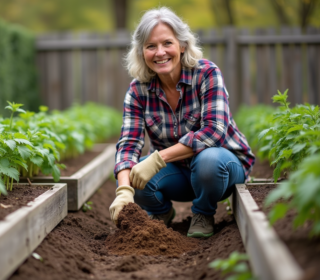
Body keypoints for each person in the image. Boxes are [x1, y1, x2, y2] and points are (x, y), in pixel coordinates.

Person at [109, 7, 255, 238]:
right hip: (179, 173)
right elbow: (128, 143)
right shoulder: (138, 90)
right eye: (150, 46)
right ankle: (161, 213)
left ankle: (203, 212)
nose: (160, 53)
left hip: (222, 168)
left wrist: (158, 159)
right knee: (133, 177)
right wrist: (124, 191)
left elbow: (213, 132)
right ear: (141, 52)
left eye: (167, 43)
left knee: (208, 161)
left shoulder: (206, 74)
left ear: (182, 45)